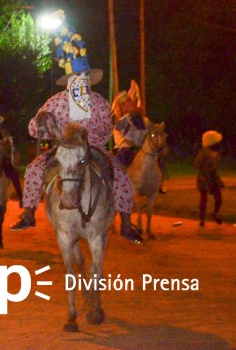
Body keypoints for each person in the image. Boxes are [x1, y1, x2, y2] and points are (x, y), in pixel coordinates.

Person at [11, 18, 143, 243]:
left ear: (88, 80)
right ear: (69, 81)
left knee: (121, 175)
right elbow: (34, 129)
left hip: (93, 149)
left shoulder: (99, 101)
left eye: (83, 78)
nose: (80, 81)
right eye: (76, 78)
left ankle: (126, 224)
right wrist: (42, 122)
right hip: (63, 149)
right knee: (33, 169)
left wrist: (89, 134)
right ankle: (29, 214)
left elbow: (107, 130)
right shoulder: (55, 101)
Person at [196, 130, 223, 226]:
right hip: (205, 177)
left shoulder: (214, 153)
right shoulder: (204, 153)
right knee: (205, 198)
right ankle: (203, 219)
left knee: (217, 198)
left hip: (211, 177)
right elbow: (197, 164)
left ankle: (212, 215)